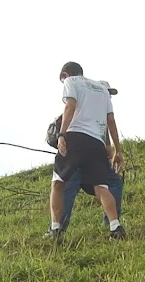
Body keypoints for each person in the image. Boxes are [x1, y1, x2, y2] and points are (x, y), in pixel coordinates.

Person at [47, 62, 125, 241]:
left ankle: (55, 229)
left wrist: (61, 135)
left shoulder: (71, 82)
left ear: (66, 75)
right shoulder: (102, 89)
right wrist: (117, 150)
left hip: (75, 139)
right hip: (96, 143)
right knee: (101, 187)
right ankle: (115, 226)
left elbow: (70, 106)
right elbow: (111, 120)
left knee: (58, 183)